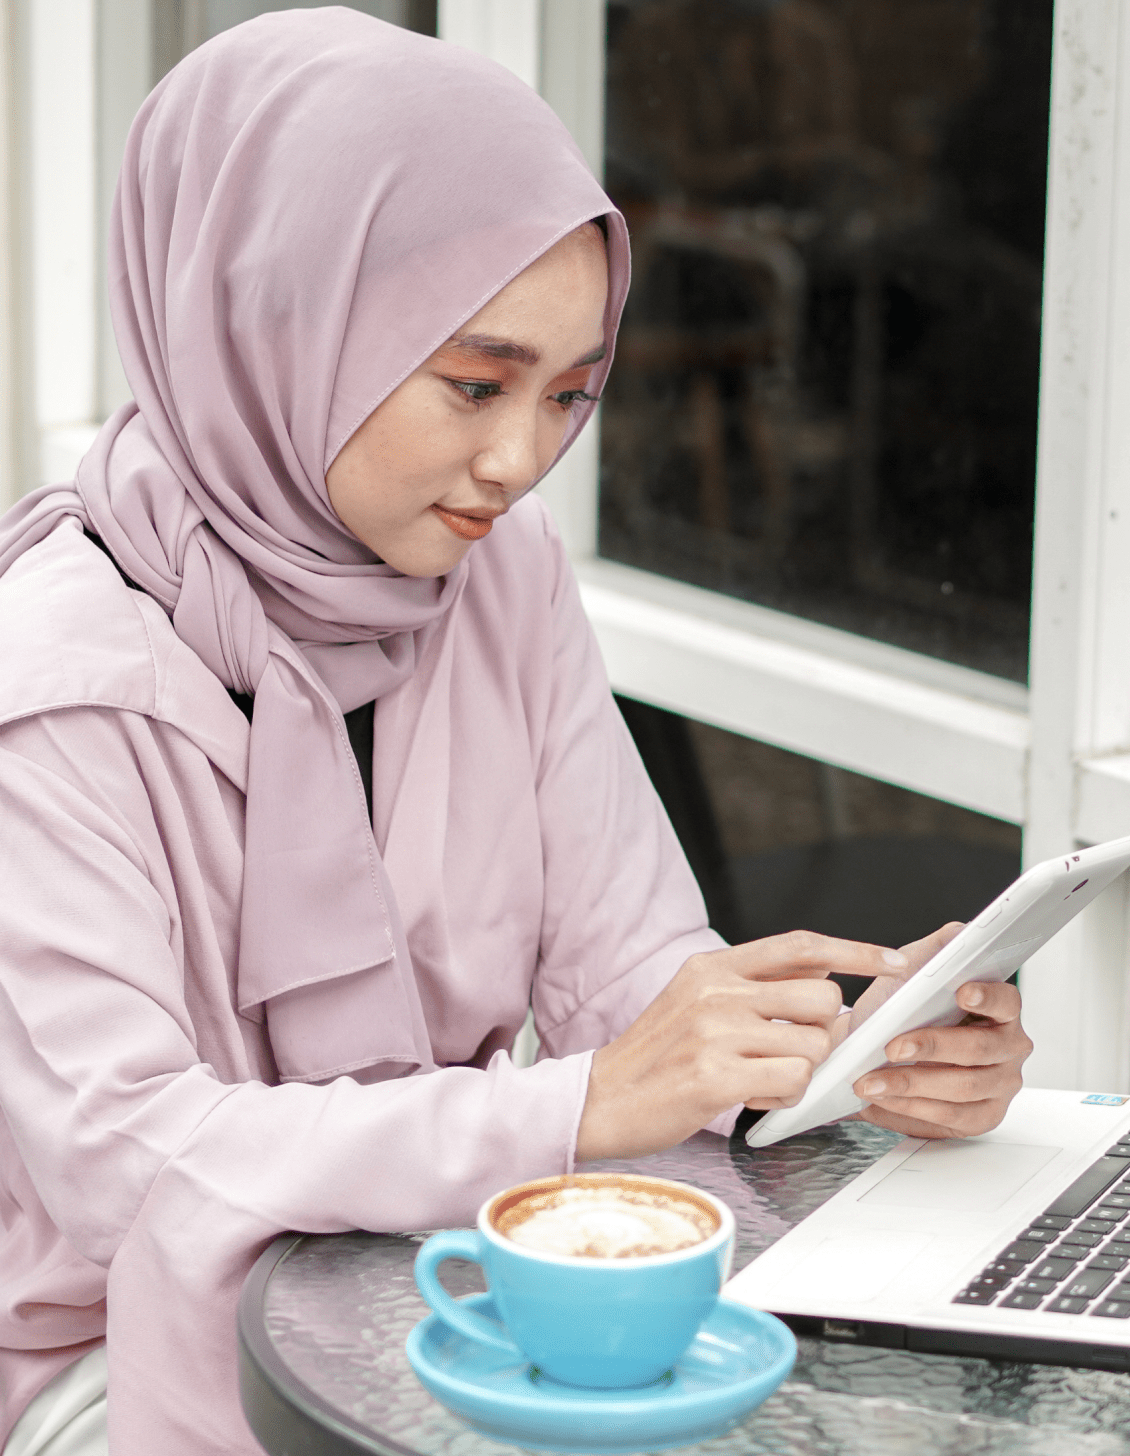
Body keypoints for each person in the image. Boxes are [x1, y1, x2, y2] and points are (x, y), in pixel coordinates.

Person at [0, 12, 1032, 1456]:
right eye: (475, 385)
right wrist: (583, 1107)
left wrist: (840, 1054)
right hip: (113, 1356)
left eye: (569, 394)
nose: (519, 460)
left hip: (436, 1277)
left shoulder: (497, 576)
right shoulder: (52, 679)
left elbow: (629, 971)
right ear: (277, 321)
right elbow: (132, 1162)